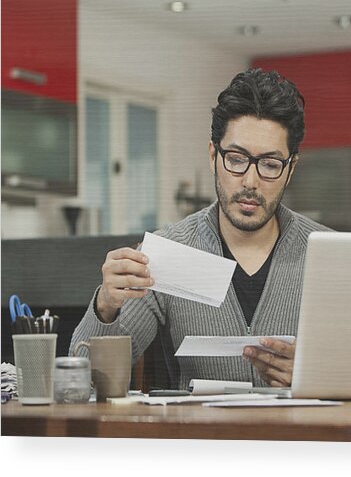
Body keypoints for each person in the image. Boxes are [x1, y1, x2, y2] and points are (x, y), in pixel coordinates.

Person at [70, 69, 331, 390]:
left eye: (270, 164)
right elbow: (86, 381)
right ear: (213, 156)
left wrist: (317, 377)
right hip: (197, 438)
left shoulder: (328, 254)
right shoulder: (169, 251)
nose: (250, 181)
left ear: (290, 169)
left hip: (303, 438)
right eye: (236, 159)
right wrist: (106, 305)